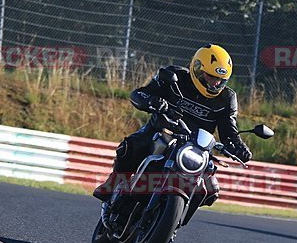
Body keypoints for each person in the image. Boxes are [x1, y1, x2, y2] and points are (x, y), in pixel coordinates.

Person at [93, 44, 252, 205]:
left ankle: (175, 221)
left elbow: (229, 131)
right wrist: (152, 101)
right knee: (131, 146)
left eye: (220, 80)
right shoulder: (174, 76)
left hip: (197, 148)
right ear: (196, 68)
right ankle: (114, 182)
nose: (214, 84)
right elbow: (139, 94)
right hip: (163, 132)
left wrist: (238, 146)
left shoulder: (227, 98)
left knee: (210, 191)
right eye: (210, 77)